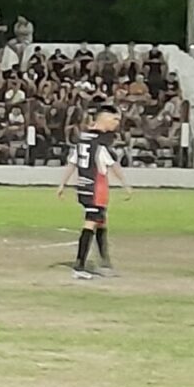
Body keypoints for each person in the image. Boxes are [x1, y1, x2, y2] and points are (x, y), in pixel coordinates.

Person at [56, 103, 134, 279]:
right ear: (105, 120)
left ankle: (104, 263)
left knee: (101, 222)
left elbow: (72, 162)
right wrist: (125, 185)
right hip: (95, 187)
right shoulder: (101, 143)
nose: (116, 123)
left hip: (85, 185)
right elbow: (113, 165)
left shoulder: (84, 140)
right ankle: (80, 266)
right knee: (91, 223)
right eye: (114, 119)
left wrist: (62, 184)